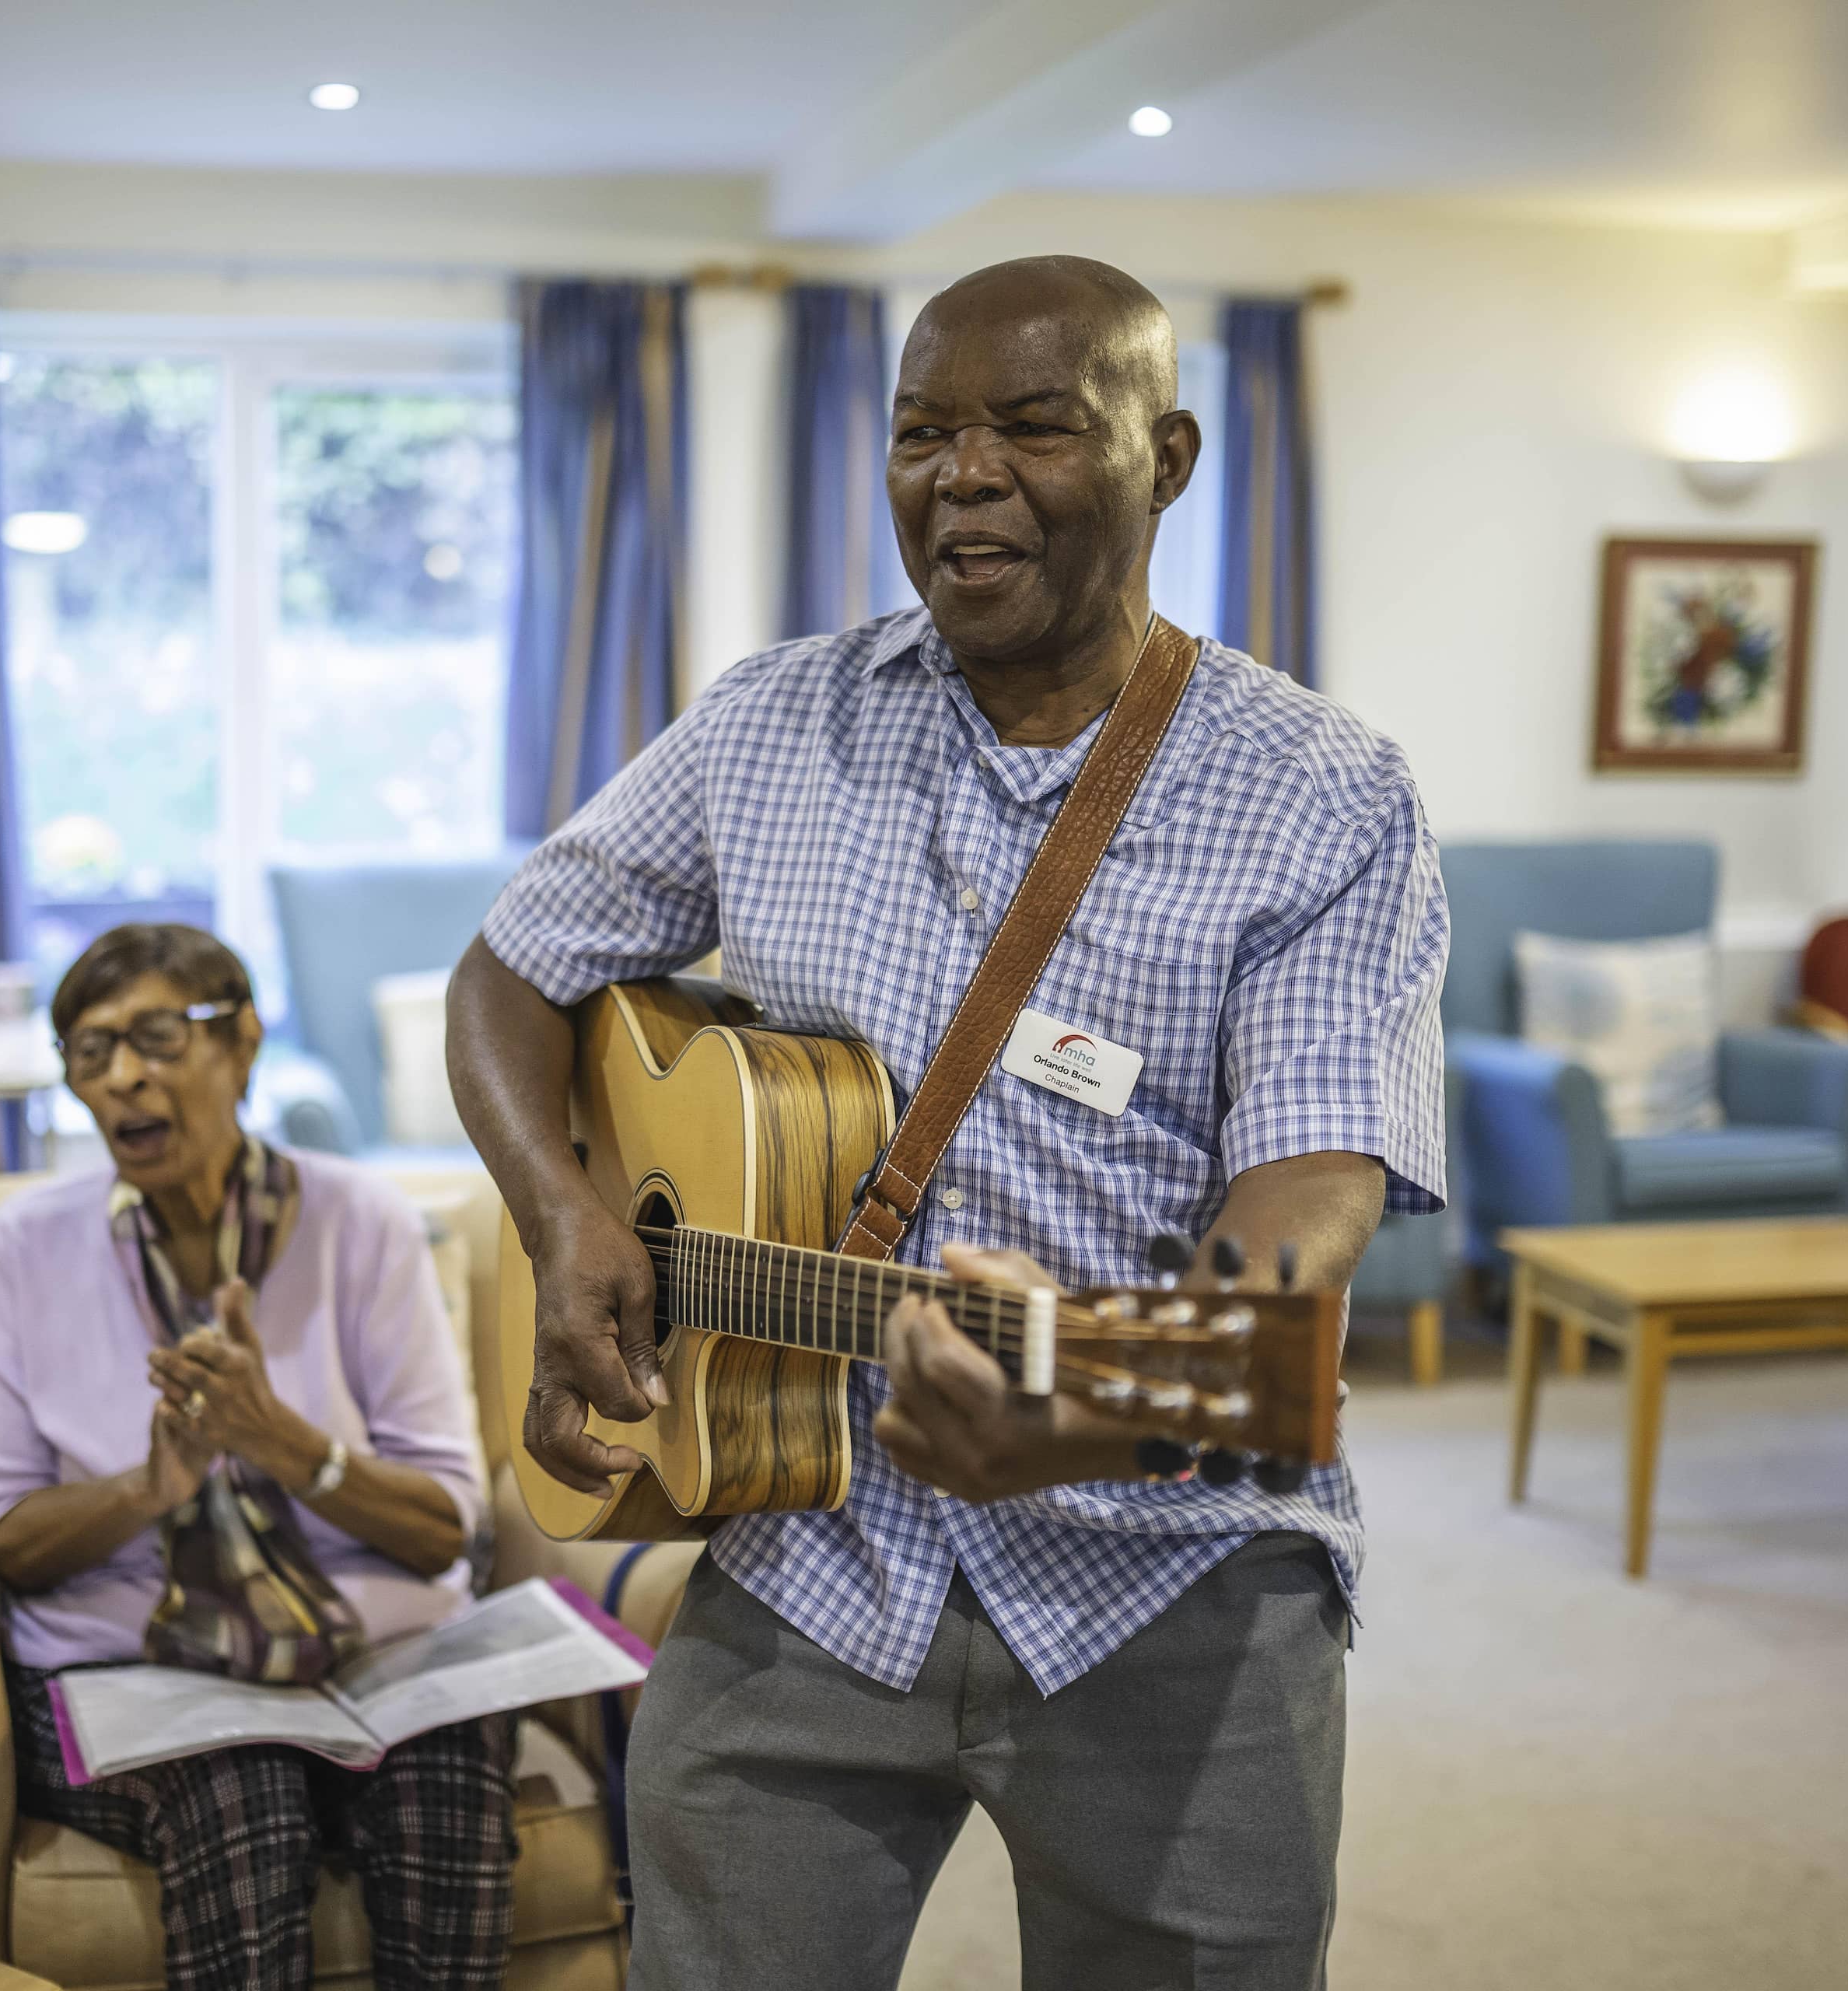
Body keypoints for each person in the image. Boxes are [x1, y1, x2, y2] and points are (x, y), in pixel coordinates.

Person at [448, 255, 1447, 1989]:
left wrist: (1116, 1398)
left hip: (1179, 1573)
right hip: (806, 1540)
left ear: (1170, 456)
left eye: (1035, 427)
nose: (962, 472)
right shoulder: (772, 722)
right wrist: (567, 1215)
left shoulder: (1322, 793)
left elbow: (1307, 1189)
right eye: (923, 431)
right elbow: (508, 974)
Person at [0, 924, 511, 1991]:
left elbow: (452, 1525)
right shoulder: (23, 1248)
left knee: (446, 1777)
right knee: (245, 1787)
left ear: (243, 1041)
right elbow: (11, 1544)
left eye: (156, 1037)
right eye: (90, 1051)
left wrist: (287, 1447)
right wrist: (148, 1490)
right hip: (137, 1659)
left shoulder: (365, 1222)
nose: (121, 1076)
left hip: (375, 1649)